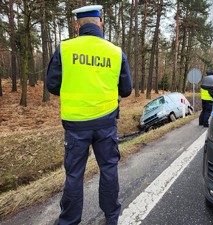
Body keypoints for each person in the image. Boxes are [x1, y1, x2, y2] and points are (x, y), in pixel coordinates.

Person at [46, 5, 132, 225]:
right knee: (109, 169)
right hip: (106, 123)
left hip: (76, 125)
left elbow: (52, 85)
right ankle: (112, 217)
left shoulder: (65, 49)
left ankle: (68, 221)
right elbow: (126, 90)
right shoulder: (115, 51)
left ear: (78, 26)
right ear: (100, 24)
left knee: (74, 175)